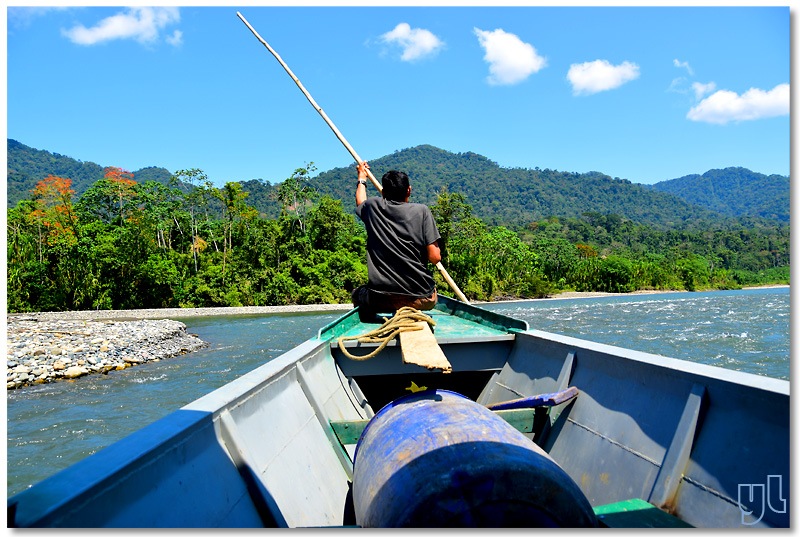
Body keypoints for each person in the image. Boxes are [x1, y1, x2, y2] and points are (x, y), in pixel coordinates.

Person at [351, 161, 441, 321]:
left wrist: (362, 177)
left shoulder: (372, 207)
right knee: (432, 294)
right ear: (409, 190)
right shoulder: (422, 211)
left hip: (380, 300)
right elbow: (435, 257)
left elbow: (360, 202)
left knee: (357, 294)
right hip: (421, 300)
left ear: (383, 192)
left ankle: (371, 319)